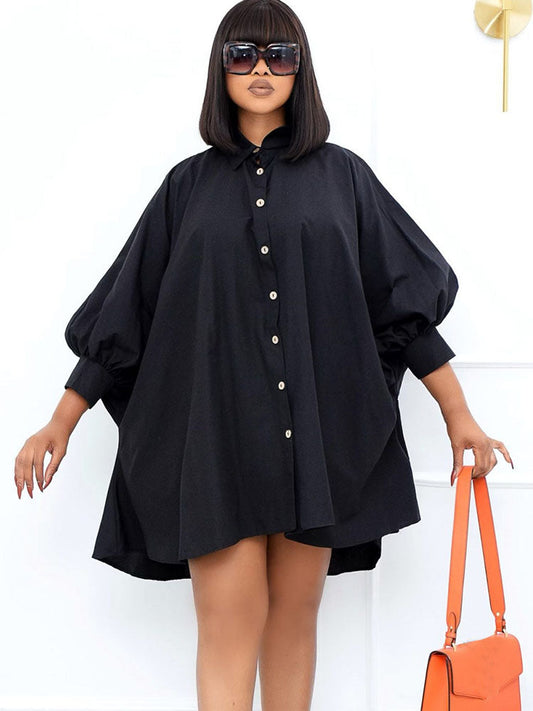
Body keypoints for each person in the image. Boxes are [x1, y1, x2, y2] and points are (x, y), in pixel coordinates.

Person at [14, 1, 514, 709]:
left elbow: (399, 305)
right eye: (242, 54)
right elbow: (127, 312)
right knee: (228, 625)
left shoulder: (343, 178)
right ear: (219, 69)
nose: (260, 69)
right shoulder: (186, 188)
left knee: (292, 622)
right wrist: (60, 422)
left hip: (313, 440)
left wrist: (458, 414)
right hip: (214, 441)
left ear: (300, 71)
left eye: (279, 55)